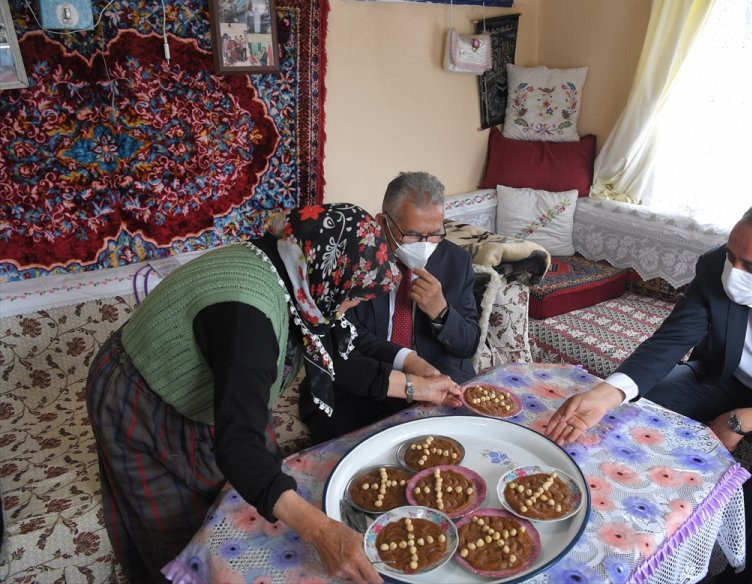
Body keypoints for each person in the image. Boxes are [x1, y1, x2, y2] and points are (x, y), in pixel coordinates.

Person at [545, 201, 752, 578]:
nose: (734, 272)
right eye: (732, 256)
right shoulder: (714, 267)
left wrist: (745, 420)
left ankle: (730, 568)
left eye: (751, 268)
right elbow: (669, 340)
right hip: (727, 376)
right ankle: (629, 512)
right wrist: (607, 393)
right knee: (645, 405)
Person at [86, 204, 396, 584]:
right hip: (140, 397)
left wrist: (418, 384)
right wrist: (322, 533)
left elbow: (335, 357)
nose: (352, 306)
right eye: (354, 296)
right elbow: (239, 446)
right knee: (183, 535)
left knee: (254, 507)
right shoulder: (249, 317)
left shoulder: (298, 273)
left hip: (215, 394)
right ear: (331, 272)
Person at [301, 172, 481, 442]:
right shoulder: (352, 257)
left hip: (438, 377)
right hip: (359, 383)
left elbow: (468, 344)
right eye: (413, 235)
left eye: (434, 234)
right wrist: (407, 361)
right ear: (383, 222)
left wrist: (441, 312)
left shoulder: (456, 261)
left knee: (467, 444)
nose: (425, 245)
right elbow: (345, 337)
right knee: (345, 447)